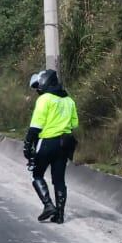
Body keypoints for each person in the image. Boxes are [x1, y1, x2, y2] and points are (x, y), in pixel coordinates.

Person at [24, 69, 78, 223]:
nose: (38, 89)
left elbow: (36, 125)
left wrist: (27, 145)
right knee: (59, 180)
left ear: (45, 83)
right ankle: (59, 215)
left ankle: (48, 205)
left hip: (47, 142)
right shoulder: (69, 100)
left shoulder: (44, 99)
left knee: (37, 174)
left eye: (39, 86)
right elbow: (74, 123)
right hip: (64, 143)